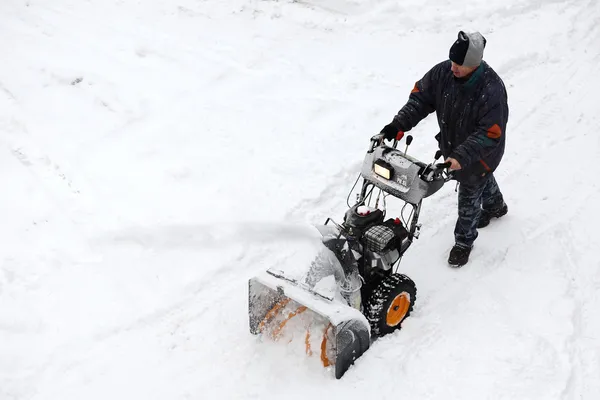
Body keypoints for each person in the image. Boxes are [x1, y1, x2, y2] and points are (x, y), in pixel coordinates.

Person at [380, 31, 509, 267]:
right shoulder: (443, 73)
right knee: (481, 180)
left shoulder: (491, 89)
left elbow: (489, 134)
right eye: (452, 61)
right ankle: (496, 205)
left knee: (470, 189)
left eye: (459, 64)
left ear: (474, 63)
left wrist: (459, 157)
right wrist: (398, 125)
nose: (453, 68)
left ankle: (464, 241)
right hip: (454, 147)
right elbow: (420, 99)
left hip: (479, 155)